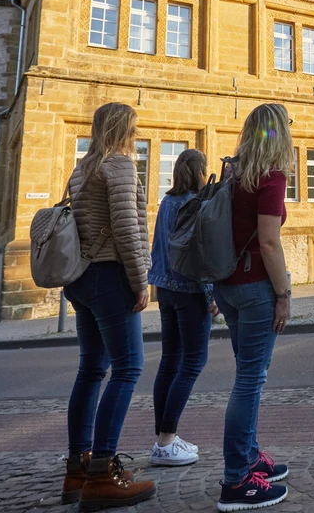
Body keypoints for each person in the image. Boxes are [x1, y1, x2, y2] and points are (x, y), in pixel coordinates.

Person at [61, 102, 155, 510]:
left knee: (91, 370)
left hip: (80, 278)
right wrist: (140, 281)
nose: (136, 134)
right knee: (129, 367)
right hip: (108, 275)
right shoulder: (119, 165)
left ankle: (78, 468)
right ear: (123, 129)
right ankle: (102, 473)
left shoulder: (81, 169)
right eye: (133, 127)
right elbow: (126, 228)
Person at [213, 104, 293, 510]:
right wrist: (284, 294)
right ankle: (237, 481)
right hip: (255, 287)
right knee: (249, 380)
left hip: (226, 285)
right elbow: (269, 242)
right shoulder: (271, 176)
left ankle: (248, 455)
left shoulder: (233, 173)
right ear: (279, 133)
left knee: (248, 374)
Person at [148, 149, 219, 467]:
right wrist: (211, 294)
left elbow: (159, 246)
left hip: (164, 288)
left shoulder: (167, 202)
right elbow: (200, 253)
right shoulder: (196, 203)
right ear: (200, 172)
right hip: (189, 291)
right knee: (192, 363)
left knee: (169, 362)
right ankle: (167, 439)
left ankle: (162, 440)